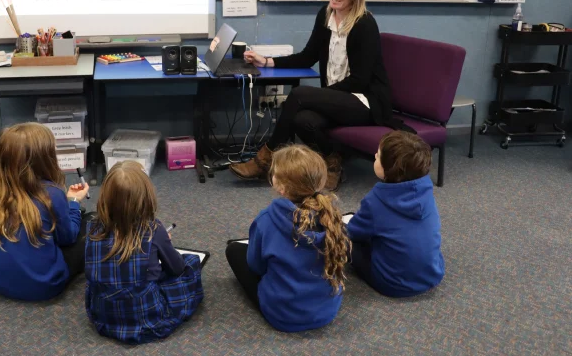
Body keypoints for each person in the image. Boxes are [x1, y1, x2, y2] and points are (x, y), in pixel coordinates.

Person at [231, 0, 404, 190]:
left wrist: (320, 95)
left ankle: (265, 160)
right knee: (303, 120)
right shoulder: (326, 15)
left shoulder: (365, 24)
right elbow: (307, 56)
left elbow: (360, 80)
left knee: (300, 95)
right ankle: (333, 162)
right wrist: (268, 61)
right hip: (337, 99)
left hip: (365, 102)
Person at [225, 144, 350, 332]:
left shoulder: (266, 220)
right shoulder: (333, 218)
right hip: (327, 312)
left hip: (283, 316)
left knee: (234, 250)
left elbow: (256, 267)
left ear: (280, 187)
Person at [84, 161, 204, 344]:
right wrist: (164, 244)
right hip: (146, 316)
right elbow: (177, 269)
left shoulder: (92, 227)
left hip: (104, 315)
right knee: (191, 263)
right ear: (146, 197)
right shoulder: (154, 230)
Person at [0, 122, 91, 301]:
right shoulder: (52, 194)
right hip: (45, 286)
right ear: (46, 159)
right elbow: (67, 237)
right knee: (92, 222)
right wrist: (74, 201)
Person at [346, 130, 444, 297]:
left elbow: (353, 232)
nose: (375, 156)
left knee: (344, 238)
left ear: (389, 169)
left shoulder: (376, 200)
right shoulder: (426, 190)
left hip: (392, 284)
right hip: (432, 275)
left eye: (378, 156)